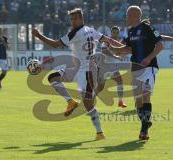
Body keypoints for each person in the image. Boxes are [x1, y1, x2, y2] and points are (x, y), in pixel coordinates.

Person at [32, 8, 123, 140]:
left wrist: (39, 35)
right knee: (53, 77)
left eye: (75, 18)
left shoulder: (75, 33)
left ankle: (99, 133)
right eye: (71, 19)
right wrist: (123, 48)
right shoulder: (90, 30)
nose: (72, 21)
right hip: (76, 69)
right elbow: (108, 39)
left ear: (81, 19)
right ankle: (71, 102)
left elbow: (55, 45)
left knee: (88, 104)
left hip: (87, 72)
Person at [109, 6, 164, 140]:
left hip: (149, 67)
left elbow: (160, 45)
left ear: (134, 15)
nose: (126, 17)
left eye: (127, 15)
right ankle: (146, 122)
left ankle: (144, 130)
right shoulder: (131, 32)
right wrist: (115, 49)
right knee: (138, 102)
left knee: (146, 96)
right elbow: (128, 49)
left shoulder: (148, 28)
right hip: (135, 69)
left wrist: (149, 58)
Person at [100, 26, 127, 108]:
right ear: (111, 33)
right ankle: (89, 100)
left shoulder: (118, 43)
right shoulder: (107, 41)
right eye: (113, 32)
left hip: (113, 68)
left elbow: (122, 52)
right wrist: (116, 56)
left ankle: (120, 101)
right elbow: (104, 51)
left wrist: (120, 54)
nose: (115, 34)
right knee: (100, 87)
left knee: (120, 82)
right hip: (105, 67)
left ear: (119, 33)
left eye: (117, 32)